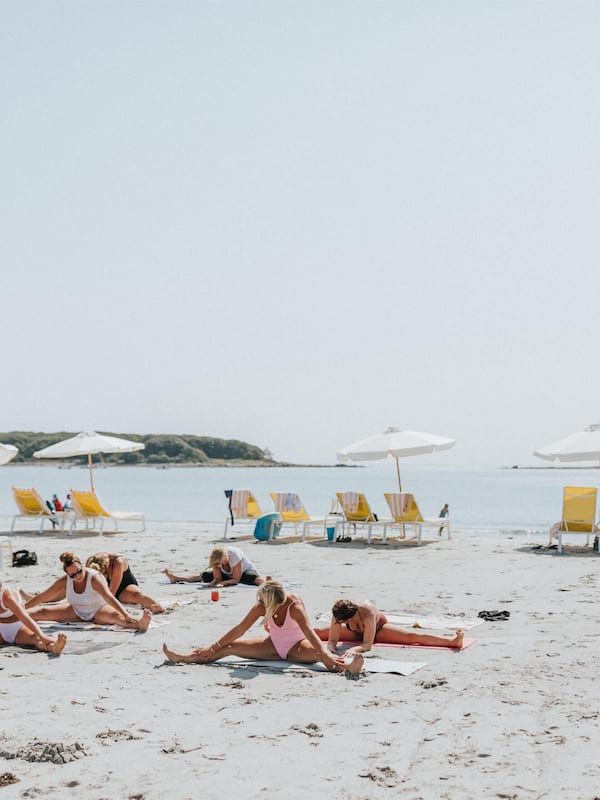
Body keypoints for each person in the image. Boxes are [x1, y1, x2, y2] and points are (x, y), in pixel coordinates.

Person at [162, 580, 363, 674]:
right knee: (229, 648)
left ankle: (350, 667)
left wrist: (325, 653)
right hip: (273, 646)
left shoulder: (294, 607)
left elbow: (310, 633)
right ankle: (185, 658)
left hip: (297, 647)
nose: (261, 605)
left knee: (323, 656)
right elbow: (239, 629)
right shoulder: (262, 605)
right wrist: (212, 648)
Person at [25, 551, 151, 632]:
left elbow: (109, 598)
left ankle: (140, 624)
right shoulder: (65, 580)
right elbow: (43, 597)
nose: (77, 576)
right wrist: (21, 608)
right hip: (76, 610)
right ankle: (15, 617)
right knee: (41, 612)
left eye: (79, 571)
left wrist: (126, 614)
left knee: (118, 618)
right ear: (68, 574)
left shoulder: (94, 577)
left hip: (98, 609)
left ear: (82, 565)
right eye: (73, 575)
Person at [315, 599, 464, 656]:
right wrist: (331, 647)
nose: (340, 622)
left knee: (411, 637)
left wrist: (355, 649)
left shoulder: (368, 611)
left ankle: (452, 641)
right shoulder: (338, 613)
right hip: (355, 632)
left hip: (378, 630)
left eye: (343, 621)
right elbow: (332, 639)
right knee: (320, 633)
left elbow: (368, 644)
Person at [0, 581, 67, 655]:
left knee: (36, 639)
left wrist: (42, 636)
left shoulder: (7, 597)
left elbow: (25, 618)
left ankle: (53, 647)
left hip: (18, 627)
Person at [86, 552, 166, 613]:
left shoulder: (118, 562)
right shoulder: (91, 562)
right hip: (104, 587)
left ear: (107, 566)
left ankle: (157, 607)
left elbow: (112, 593)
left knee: (137, 595)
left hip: (124, 586)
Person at [163, 546, 265, 587]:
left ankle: (269, 585)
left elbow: (236, 579)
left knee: (253, 578)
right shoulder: (216, 560)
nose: (222, 564)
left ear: (226, 557)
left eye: (223, 561)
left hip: (243, 572)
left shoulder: (234, 555)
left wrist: (223, 583)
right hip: (228, 575)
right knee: (204, 576)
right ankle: (175, 578)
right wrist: (214, 582)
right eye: (220, 563)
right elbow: (217, 578)